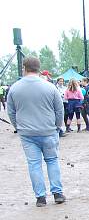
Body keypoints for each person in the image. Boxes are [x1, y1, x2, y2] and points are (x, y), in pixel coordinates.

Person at [7, 56, 67, 207]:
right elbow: (59, 110)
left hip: (27, 134)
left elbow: (11, 112)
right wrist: (57, 126)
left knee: (34, 164)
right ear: (39, 68)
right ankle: (57, 193)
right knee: (52, 160)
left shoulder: (14, 88)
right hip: (48, 130)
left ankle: (40, 197)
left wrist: (18, 127)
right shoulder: (50, 87)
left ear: (24, 68)